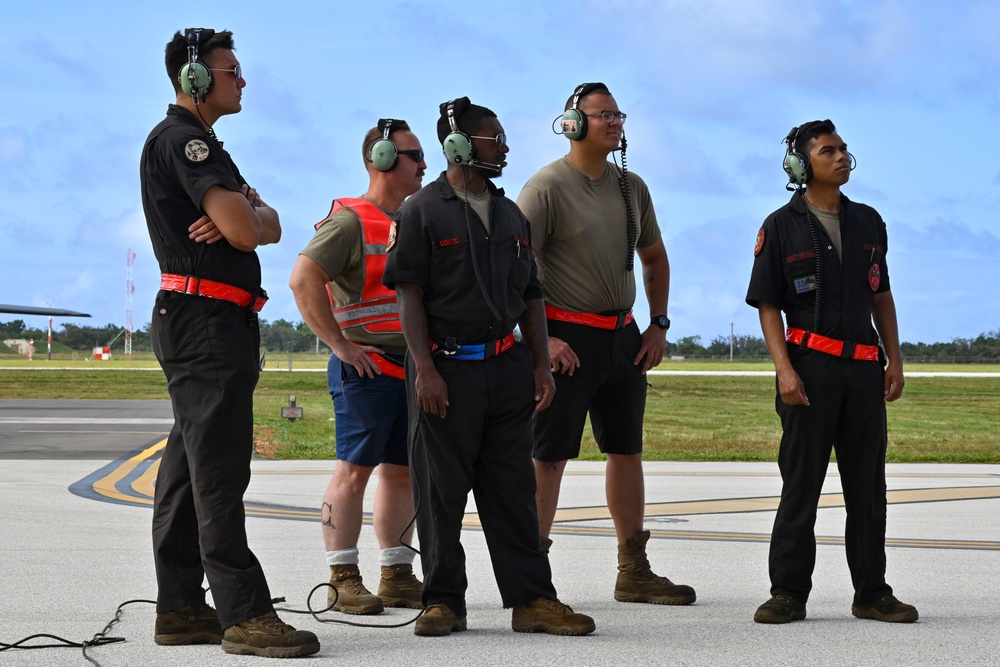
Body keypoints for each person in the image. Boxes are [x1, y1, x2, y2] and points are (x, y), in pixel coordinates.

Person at [382, 96, 595, 638]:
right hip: (445, 372)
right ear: (457, 145)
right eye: (492, 137)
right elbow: (409, 295)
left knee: (512, 490)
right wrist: (424, 369)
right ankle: (444, 601)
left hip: (505, 368)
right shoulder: (421, 211)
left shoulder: (510, 214)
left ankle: (532, 600)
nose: (503, 145)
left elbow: (530, 296)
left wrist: (541, 364)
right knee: (440, 491)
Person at [140, 28, 319, 658]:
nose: (242, 81)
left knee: (189, 470)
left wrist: (250, 214)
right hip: (205, 322)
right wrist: (246, 213)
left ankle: (183, 608)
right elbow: (248, 228)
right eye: (231, 72)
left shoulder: (204, 146)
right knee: (218, 473)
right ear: (194, 80)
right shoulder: (187, 143)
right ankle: (243, 614)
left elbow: (262, 223)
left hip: (209, 320)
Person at [517, 82, 695, 606]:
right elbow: (515, 268)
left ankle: (633, 569)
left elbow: (655, 258)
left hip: (621, 339)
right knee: (547, 456)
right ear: (573, 124)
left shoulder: (631, 187)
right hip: (565, 340)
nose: (615, 123)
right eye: (602, 115)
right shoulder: (545, 187)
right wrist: (542, 342)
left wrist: (658, 324)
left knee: (627, 451)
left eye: (618, 114)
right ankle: (533, 577)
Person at [746, 119, 917, 625]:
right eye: (828, 151)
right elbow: (769, 305)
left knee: (868, 488)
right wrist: (784, 371)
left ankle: (871, 593)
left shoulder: (869, 222)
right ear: (801, 166)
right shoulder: (780, 225)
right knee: (802, 484)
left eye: (843, 149)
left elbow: (880, 294)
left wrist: (895, 357)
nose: (842, 156)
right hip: (809, 371)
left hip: (864, 371)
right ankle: (788, 593)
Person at [288, 119, 427, 615]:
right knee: (354, 473)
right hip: (365, 371)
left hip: (406, 370)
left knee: (402, 474)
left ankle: (396, 572)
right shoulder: (349, 222)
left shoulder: (413, 220)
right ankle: (343, 577)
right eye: (413, 155)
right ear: (384, 159)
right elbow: (303, 280)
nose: (424, 164)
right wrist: (340, 346)